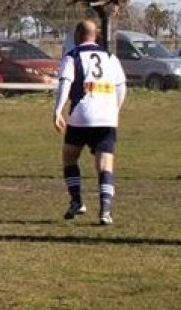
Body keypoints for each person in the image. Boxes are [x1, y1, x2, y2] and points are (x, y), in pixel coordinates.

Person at [52, 20, 127, 226]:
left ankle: (77, 201)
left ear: (78, 35)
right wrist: (115, 109)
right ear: (96, 35)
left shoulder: (73, 56)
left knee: (69, 157)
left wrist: (57, 111)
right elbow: (121, 88)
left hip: (81, 115)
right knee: (105, 165)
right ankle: (105, 211)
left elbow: (65, 83)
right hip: (107, 117)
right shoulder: (111, 57)